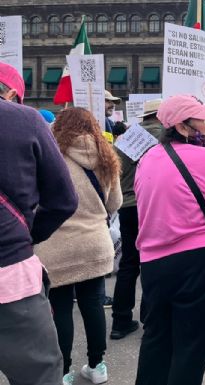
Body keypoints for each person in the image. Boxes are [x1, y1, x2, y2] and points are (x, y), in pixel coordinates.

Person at [134, 94, 205, 385]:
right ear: (182, 127)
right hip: (198, 258)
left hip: (153, 261)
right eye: (204, 121)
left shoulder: (147, 159)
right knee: (192, 343)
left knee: (157, 338)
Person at [0, 61, 78, 385]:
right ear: (13, 93)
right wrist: (26, 235)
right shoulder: (25, 120)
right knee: (40, 376)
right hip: (10, 277)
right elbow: (64, 200)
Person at [34, 107, 123, 385]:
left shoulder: (51, 156)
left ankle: (63, 372)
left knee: (60, 308)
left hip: (56, 245)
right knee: (93, 304)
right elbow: (115, 204)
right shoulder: (106, 155)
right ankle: (97, 366)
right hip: (96, 243)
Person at [110, 98, 164, 340]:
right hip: (152, 204)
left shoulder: (127, 137)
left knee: (129, 263)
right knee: (153, 261)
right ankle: (149, 319)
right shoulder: (166, 136)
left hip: (128, 204)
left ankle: (120, 320)